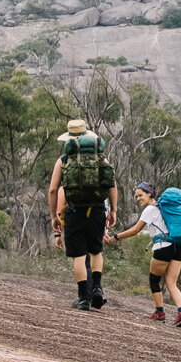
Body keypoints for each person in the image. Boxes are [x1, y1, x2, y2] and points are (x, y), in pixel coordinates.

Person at [47, 119, 118, 311]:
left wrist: (54, 216)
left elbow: (53, 190)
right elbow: (111, 184)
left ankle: (83, 298)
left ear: (70, 138)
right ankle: (97, 288)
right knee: (96, 250)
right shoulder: (100, 157)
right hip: (96, 209)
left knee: (79, 255)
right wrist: (113, 210)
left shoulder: (63, 160)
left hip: (74, 210)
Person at [113, 182, 181, 328]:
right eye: (136, 196)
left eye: (140, 195)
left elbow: (135, 230)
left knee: (154, 280)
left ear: (149, 194)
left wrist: (116, 237)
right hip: (176, 246)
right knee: (171, 282)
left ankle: (160, 313)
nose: (138, 199)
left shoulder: (150, 209)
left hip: (162, 247)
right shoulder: (164, 208)